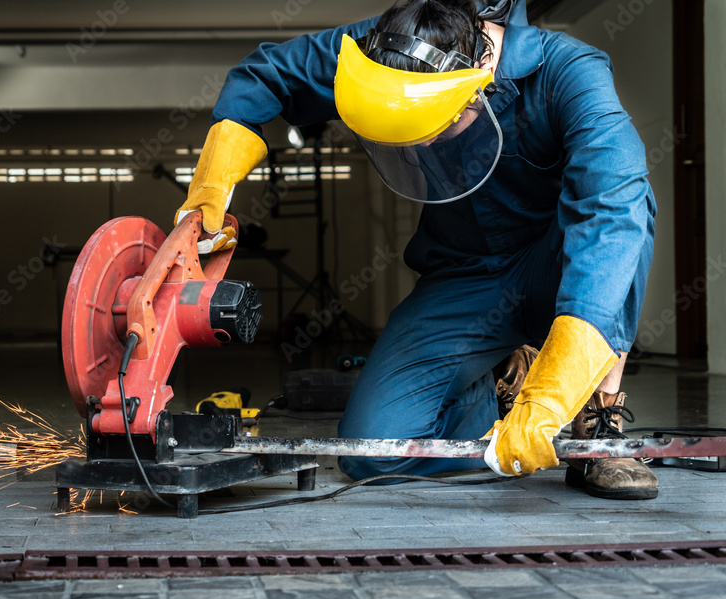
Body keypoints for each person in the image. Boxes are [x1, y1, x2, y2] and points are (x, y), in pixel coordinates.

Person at [175, 0, 658, 499]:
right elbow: (267, 72)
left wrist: (555, 395)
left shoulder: (568, 71)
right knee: (369, 452)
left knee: (629, 210)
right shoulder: (384, 48)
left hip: (557, 267)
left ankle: (600, 421)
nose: (424, 149)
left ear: (480, 80)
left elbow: (613, 213)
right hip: (464, 274)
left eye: (439, 129)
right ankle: (505, 397)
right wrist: (212, 186)